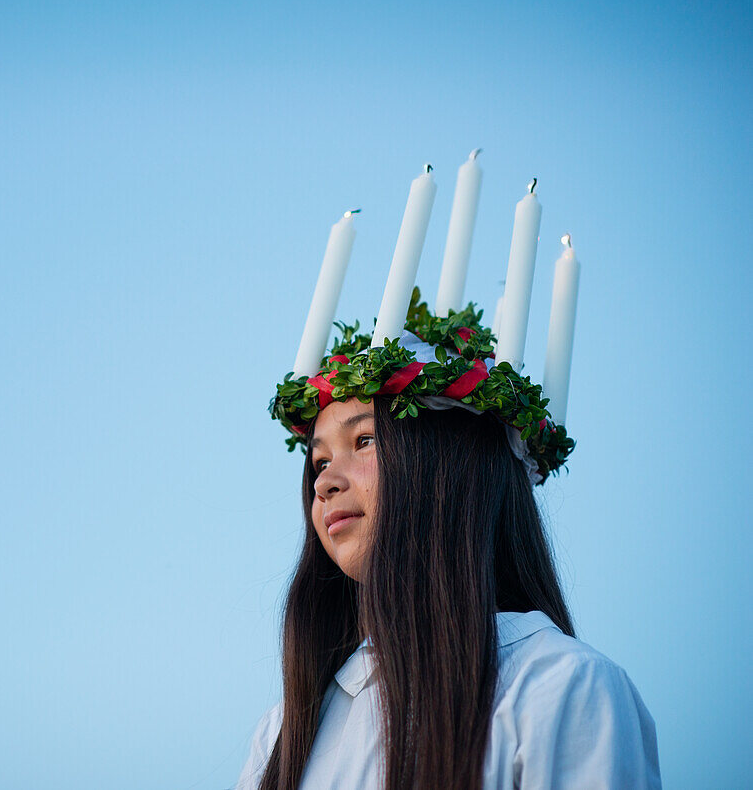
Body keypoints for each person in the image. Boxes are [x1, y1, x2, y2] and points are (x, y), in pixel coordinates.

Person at [237, 306, 661, 789]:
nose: (325, 482)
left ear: (451, 466)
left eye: (366, 439)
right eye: (320, 461)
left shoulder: (562, 687)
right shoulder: (283, 734)